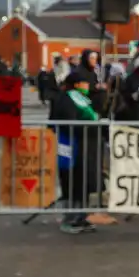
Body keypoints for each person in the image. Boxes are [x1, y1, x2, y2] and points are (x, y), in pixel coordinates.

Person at [49, 71, 103, 233]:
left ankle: (81, 217)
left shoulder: (82, 99)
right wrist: (88, 127)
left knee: (83, 183)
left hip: (85, 147)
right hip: (72, 148)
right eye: (85, 83)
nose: (88, 86)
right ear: (77, 84)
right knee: (73, 183)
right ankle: (70, 219)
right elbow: (66, 122)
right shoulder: (66, 99)